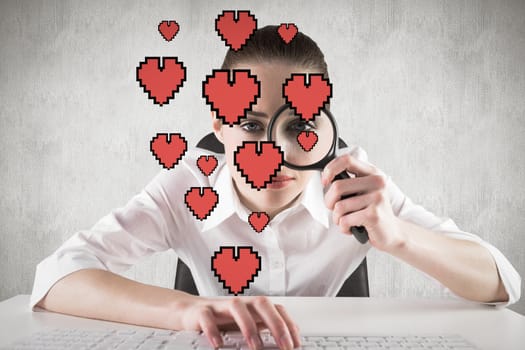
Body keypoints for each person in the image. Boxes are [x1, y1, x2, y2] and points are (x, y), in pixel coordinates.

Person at [31, 25, 521, 350]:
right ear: (219, 126)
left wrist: (399, 235)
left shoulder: (353, 186)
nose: (272, 152)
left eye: (297, 126)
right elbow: (56, 276)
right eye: (249, 126)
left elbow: (503, 284)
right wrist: (191, 310)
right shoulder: (187, 184)